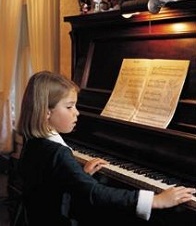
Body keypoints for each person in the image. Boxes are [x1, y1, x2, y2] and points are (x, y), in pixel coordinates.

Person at [17, 70, 195, 226]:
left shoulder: (34, 141)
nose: (77, 112)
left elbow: (49, 185)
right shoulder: (58, 152)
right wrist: (155, 201)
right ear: (46, 112)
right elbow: (96, 193)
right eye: (70, 106)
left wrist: (79, 176)